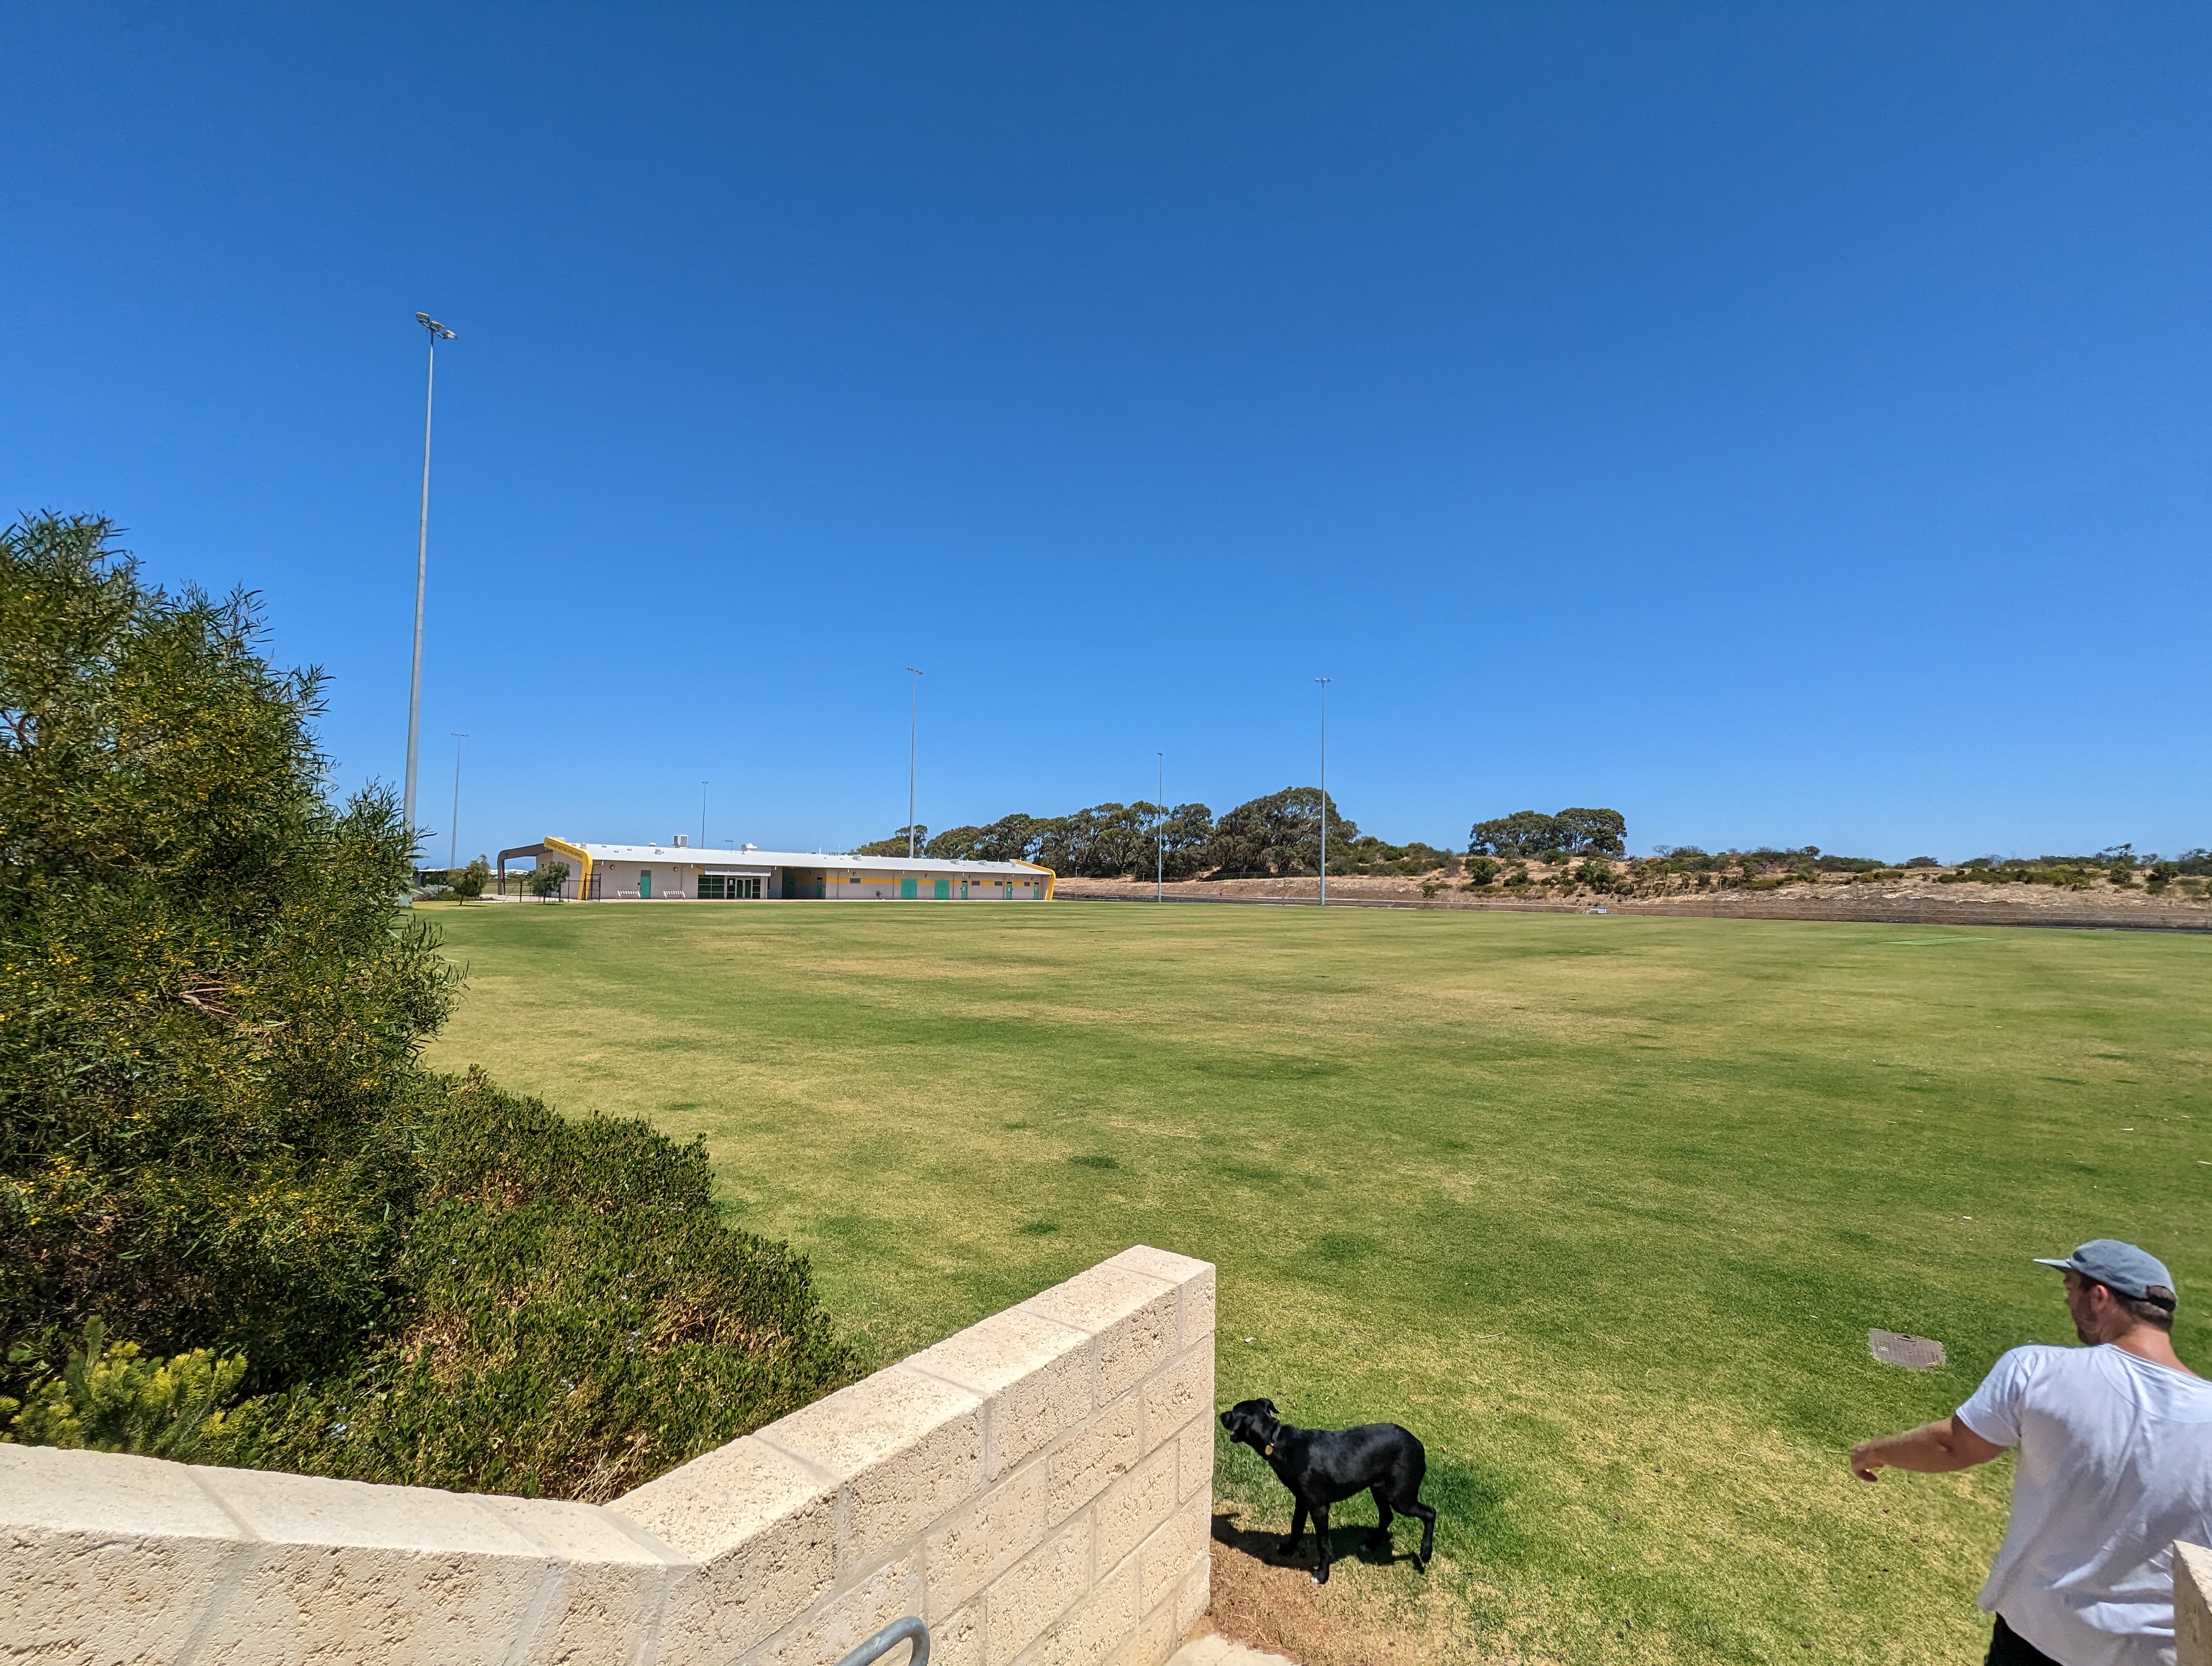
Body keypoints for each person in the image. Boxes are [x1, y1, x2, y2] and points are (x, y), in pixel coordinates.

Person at [1848, 1240, 2212, 1666]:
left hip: (2040, 1636)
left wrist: (1874, 1451)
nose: (2066, 1298)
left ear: (2099, 1298)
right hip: (2157, 1654)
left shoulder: (2039, 1370)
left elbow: (1951, 1446)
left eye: (2071, 1286)